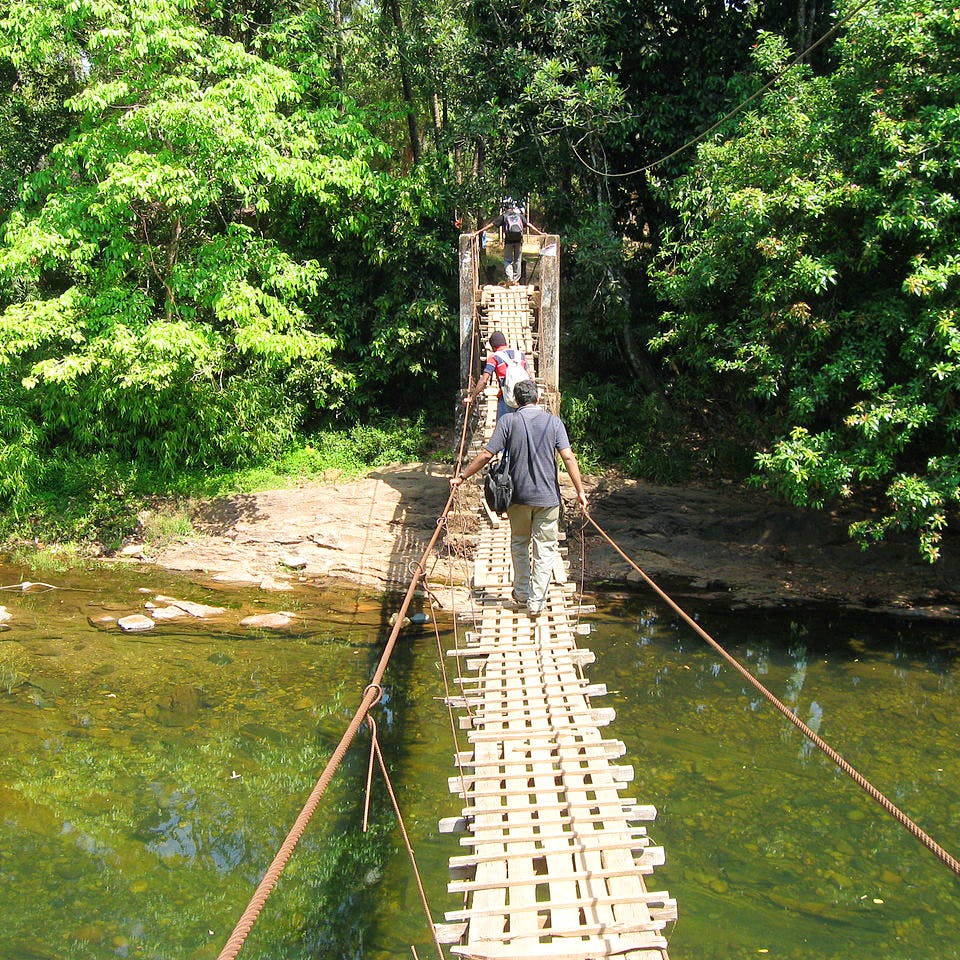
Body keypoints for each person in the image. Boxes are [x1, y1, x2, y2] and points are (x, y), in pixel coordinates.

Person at [451, 379, 588, 616]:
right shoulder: (554, 423)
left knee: (519, 543)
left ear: (514, 401)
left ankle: (522, 591)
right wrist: (580, 491)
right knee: (545, 548)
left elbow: (486, 454)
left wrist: (462, 477)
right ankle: (536, 601)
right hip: (548, 499)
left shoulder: (508, 421)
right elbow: (568, 458)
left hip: (518, 497)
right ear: (537, 398)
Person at [463, 331, 532, 420]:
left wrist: (472, 398)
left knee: (503, 429)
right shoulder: (521, 355)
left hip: (507, 399)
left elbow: (484, 380)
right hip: (524, 399)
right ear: (505, 343)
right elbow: (530, 377)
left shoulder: (494, 357)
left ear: (493, 347)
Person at [475, 200, 544, 286]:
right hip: (519, 241)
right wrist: (540, 233)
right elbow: (528, 224)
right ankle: (515, 280)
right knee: (517, 260)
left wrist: (478, 232)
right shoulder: (519, 216)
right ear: (513, 208)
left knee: (507, 260)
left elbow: (492, 225)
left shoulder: (504, 216)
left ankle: (510, 278)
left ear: (505, 209)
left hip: (509, 242)